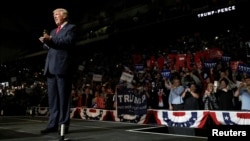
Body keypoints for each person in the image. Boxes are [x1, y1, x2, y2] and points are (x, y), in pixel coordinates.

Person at [39, 8, 77, 134]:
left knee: (63, 99)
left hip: (62, 68)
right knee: (53, 100)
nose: (54, 17)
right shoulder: (53, 31)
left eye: (57, 14)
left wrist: (50, 40)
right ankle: (52, 125)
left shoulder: (71, 28)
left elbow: (67, 41)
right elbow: (49, 47)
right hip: (50, 68)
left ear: (64, 16)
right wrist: (45, 42)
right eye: (53, 15)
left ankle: (63, 126)